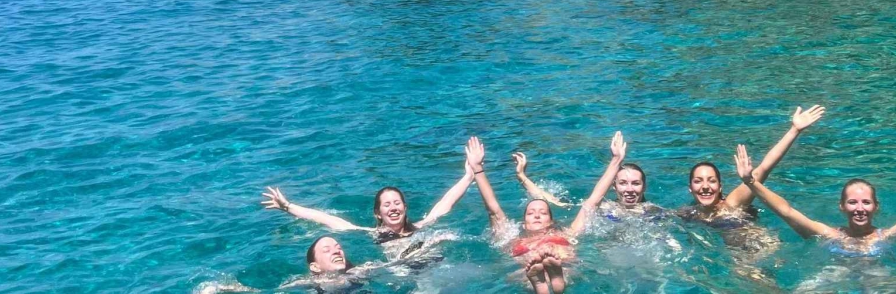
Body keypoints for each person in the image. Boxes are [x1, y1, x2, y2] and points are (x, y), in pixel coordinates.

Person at [730, 135, 896, 252]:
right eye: (852, 202)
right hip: (833, 276)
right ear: (841, 207)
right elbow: (786, 211)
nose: (859, 208)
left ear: (876, 207)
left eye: (866, 202)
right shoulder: (829, 235)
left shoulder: (889, 236)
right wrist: (750, 182)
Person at [469, 134, 626, 293]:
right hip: (528, 269)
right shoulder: (510, 238)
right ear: (523, 223)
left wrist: (616, 160)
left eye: (543, 213)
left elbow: (593, 201)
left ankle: (551, 281)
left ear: (551, 221)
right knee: (523, 272)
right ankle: (545, 283)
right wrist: (477, 168)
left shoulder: (567, 233)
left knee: (564, 267)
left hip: (563, 266)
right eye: (531, 213)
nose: (537, 215)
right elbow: (493, 210)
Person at [261, 143, 474, 260]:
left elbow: (444, 205)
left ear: (405, 207)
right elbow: (327, 219)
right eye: (387, 205)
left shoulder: (420, 227)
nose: (393, 208)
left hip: (434, 263)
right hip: (405, 272)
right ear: (378, 213)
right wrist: (288, 206)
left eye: (397, 203)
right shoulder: (371, 234)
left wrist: (469, 175)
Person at [678, 105, 825, 227]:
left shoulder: (732, 203)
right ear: (690, 188)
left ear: (720, 187)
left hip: (759, 248)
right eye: (698, 181)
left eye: (711, 180)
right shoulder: (690, 213)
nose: (705, 186)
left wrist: (794, 130)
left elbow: (764, 168)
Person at [513, 145, 663, 219]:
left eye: (635, 183)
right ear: (614, 186)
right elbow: (554, 203)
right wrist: (522, 176)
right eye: (623, 183)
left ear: (644, 187)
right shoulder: (603, 207)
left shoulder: (655, 212)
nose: (629, 189)